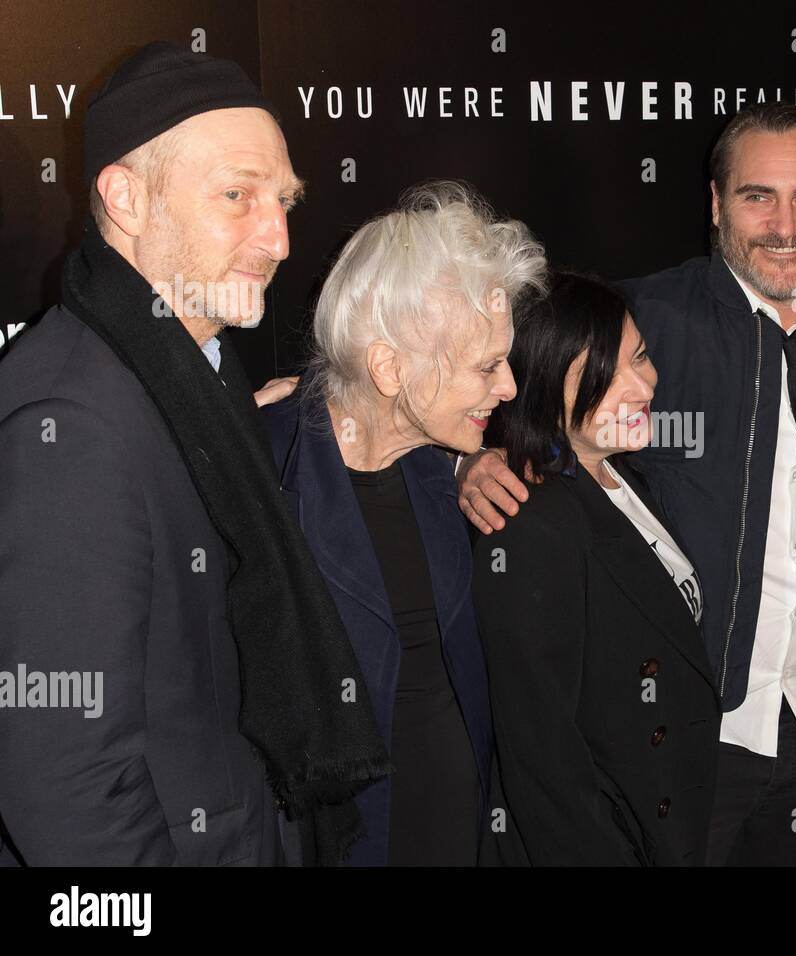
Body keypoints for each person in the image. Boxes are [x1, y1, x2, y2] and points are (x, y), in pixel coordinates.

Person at [460, 104, 796, 866]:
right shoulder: (644, 321)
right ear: (715, 205)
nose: (784, 224)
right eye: (755, 196)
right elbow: (471, 379)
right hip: (687, 738)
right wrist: (468, 457)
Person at [0, 41, 389, 866]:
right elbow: (64, 785)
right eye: (237, 196)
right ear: (126, 198)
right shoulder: (71, 428)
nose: (279, 239)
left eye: (284, 200)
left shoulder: (192, 381)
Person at [261, 181, 546, 865]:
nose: (508, 387)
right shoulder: (263, 478)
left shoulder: (435, 461)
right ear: (388, 367)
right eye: (486, 366)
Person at [472, 272, 720, 865]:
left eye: (639, 356)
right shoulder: (531, 522)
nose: (641, 386)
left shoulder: (622, 475)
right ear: (539, 389)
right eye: (602, 378)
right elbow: (544, 761)